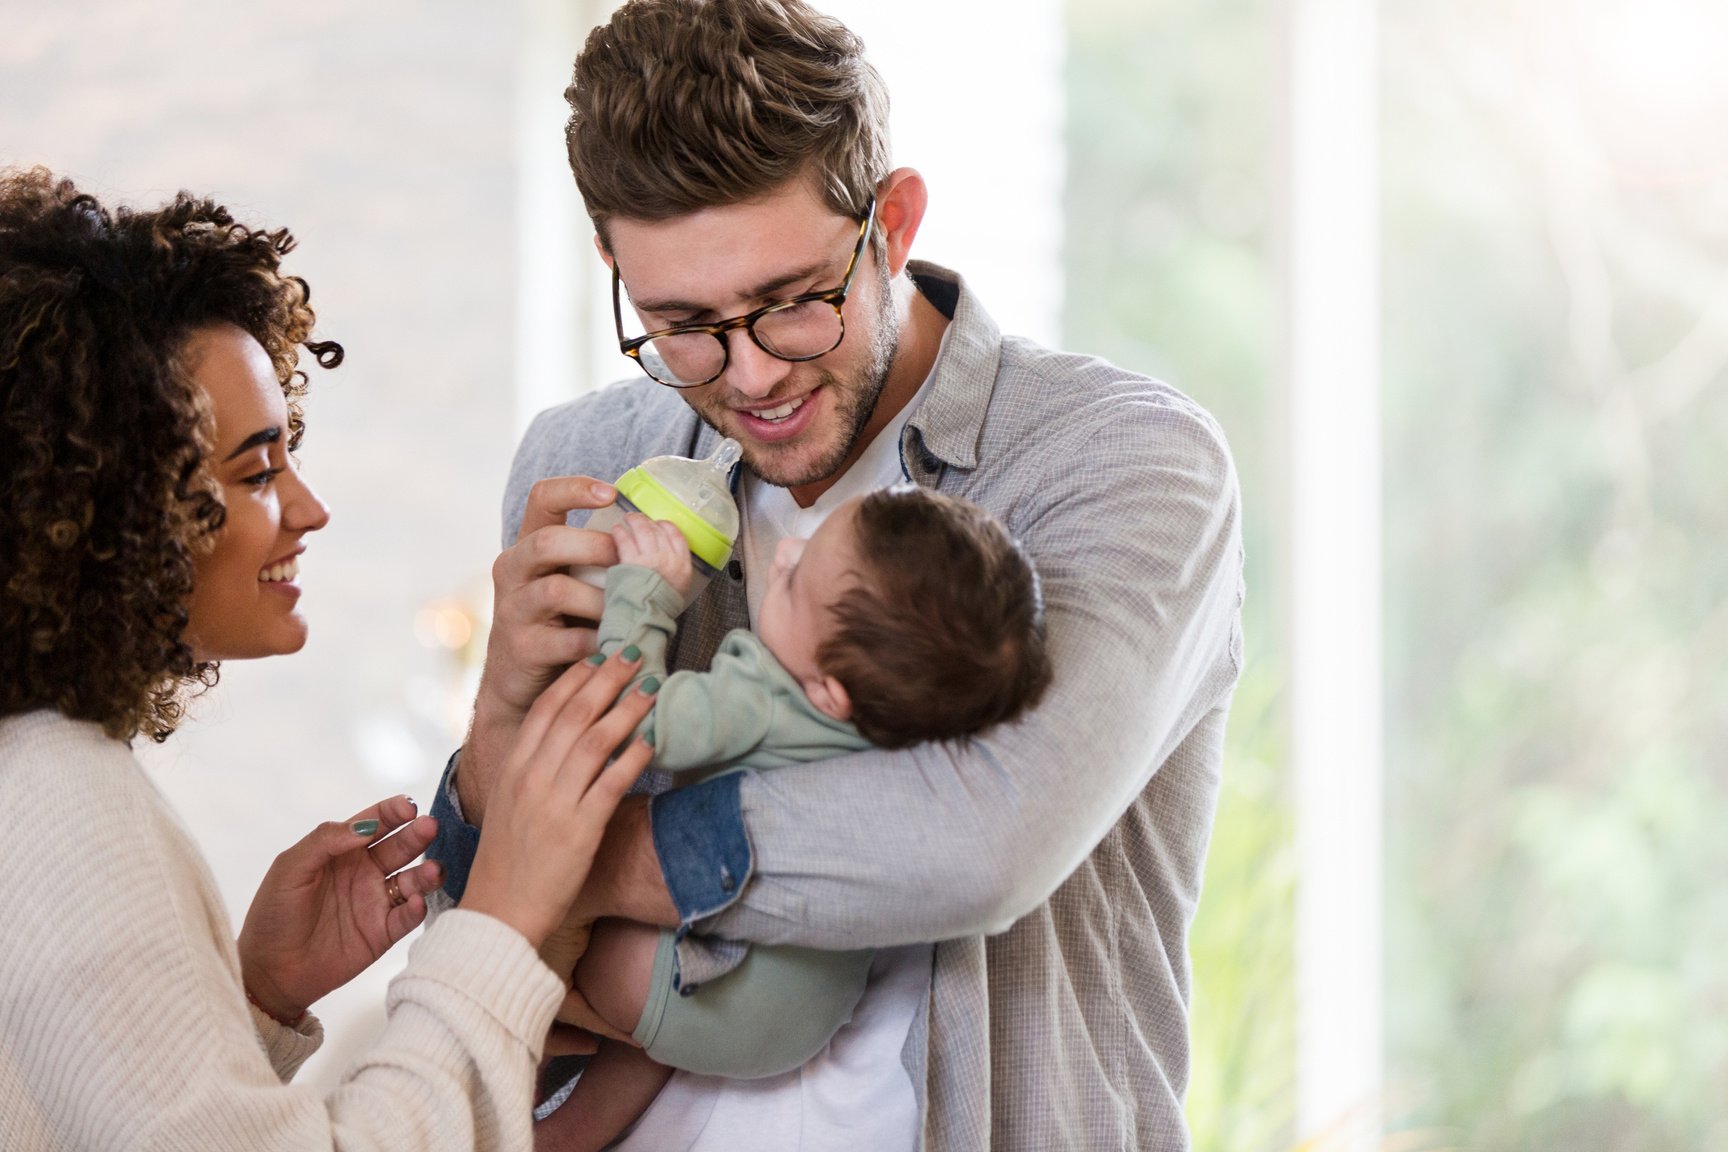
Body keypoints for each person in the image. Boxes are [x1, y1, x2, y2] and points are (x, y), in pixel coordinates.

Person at [426, 0, 1245, 1148]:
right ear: (613, 264)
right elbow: (483, 959)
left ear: (892, 221)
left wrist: (565, 858)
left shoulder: (1118, 464)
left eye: (791, 303)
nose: (750, 373)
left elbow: (981, 839)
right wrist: (495, 733)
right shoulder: (586, 464)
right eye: (683, 323)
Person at [0, 166, 659, 1151]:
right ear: (112, 504)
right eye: (257, 469)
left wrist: (253, 997)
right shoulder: (59, 795)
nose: (309, 510)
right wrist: (508, 914)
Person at [550, 487, 1052, 1146]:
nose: (783, 552)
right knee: (669, 1027)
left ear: (827, 693)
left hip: (722, 994)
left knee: (554, 917)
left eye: (792, 583)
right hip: (801, 1013)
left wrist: (644, 595)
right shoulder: (903, 731)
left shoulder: (767, 698)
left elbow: (630, 723)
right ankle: (562, 1136)